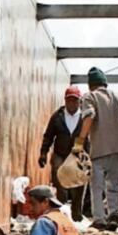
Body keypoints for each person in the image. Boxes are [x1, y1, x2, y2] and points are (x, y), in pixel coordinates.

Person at [73, 67, 118, 229]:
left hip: (99, 149)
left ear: (91, 85)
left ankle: (99, 219)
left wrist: (79, 142)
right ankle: (113, 214)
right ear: (105, 83)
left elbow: (89, 116)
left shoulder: (89, 97)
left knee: (97, 187)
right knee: (113, 185)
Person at [39, 85, 87, 221]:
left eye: (75, 100)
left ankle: (76, 215)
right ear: (65, 101)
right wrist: (43, 152)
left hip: (78, 156)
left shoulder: (85, 117)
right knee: (59, 178)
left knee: (79, 185)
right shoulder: (57, 116)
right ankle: (61, 211)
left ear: (80, 102)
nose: (72, 103)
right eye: (69, 100)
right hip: (61, 154)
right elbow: (48, 136)